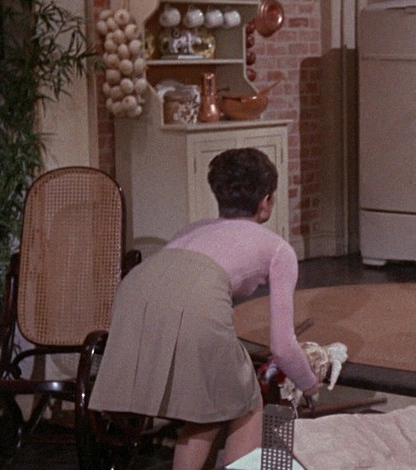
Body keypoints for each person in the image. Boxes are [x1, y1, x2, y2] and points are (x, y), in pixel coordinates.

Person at [89, 147, 320, 468]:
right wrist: (309, 383)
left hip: (132, 295)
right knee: (248, 402)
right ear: (266, 201)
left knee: (206, 409)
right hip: (194, 302)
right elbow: (282, 345)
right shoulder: (278, 250)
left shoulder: (193, 228)